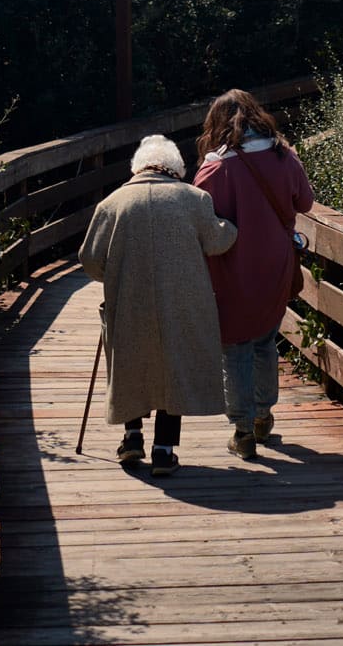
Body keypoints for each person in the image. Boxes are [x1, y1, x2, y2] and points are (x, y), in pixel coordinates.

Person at [77, 134, 238, 476]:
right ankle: (164, 452)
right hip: (181, 304)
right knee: (173, 368)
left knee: (130, 365)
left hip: (130, 302)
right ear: (176, 169)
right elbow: (218, 241)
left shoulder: (112, 204)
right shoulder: (195, 199)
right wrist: (234, 225)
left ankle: (132, 438)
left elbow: (89, 260)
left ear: (136, 167)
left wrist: (115, 272)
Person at [193, 89, 315, 459]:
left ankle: (243, 430)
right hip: (275, 266)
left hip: (232, 269)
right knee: (265, 342)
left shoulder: (217, 167)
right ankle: (263, 417)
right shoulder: (284, 157)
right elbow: (305, 203)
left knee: (235, 349)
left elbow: (196, 214)